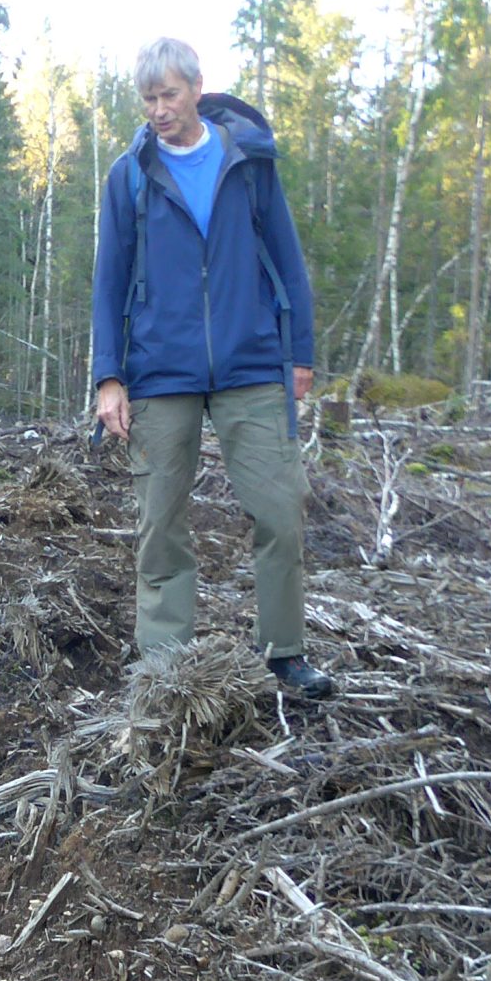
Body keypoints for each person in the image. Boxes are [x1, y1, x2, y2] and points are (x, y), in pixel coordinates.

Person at [90, 36, 335, 699]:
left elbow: (287, 257)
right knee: (160, 520)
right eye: (148, 99)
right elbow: (108, 280)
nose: (159, 110)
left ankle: (284, 653)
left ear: (198, 87)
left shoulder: (247, 162)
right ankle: (164, 663)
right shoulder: (130, 174)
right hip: (159, 370)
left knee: (280, 509)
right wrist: (108, 376)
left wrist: (300, 353)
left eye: (169, 95)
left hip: (251, 361)